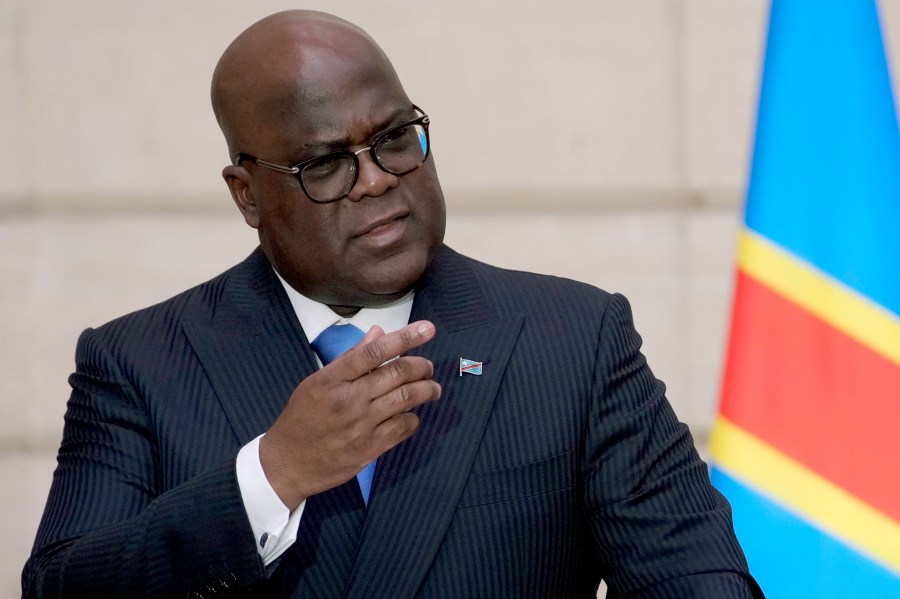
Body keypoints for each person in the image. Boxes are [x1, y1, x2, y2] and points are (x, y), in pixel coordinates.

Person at [23, 10, 764, 598]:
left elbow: (697, 580)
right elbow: (61, 585)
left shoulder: (572, 338)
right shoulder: (140, 363)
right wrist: (272, 475)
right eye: (326, 164)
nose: (376, 180)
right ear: (247, 194)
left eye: (395, 139)